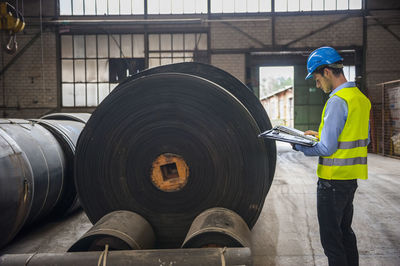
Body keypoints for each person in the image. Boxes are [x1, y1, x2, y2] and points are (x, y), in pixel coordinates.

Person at [293, 46, 371, 266]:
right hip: (350, 181)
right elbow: (362, 139)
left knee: (332, 242)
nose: (318, 85)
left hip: (332, 182)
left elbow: (327, 149)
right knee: (345, 234)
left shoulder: (337, 100)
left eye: (317, 79)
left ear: (327, 72)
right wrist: (320, 135)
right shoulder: (360, 99)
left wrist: (300, 146)